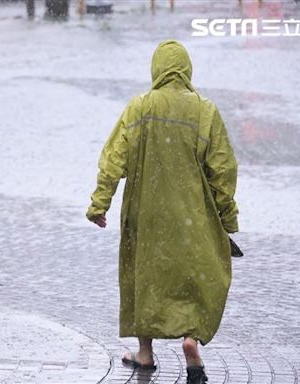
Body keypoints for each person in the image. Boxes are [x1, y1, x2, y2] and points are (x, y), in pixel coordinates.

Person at [86, 40, 239, 384]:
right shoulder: (205, 111)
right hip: (193, 217)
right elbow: (223, 172)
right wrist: (228, 218)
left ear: (156, 70)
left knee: (145, 280)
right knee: (194, 279)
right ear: (186, 70)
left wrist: (100, 203)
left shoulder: (138, 108)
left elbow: (112, 160)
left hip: (146, 216)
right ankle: (190, 338)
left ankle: (145, 352)